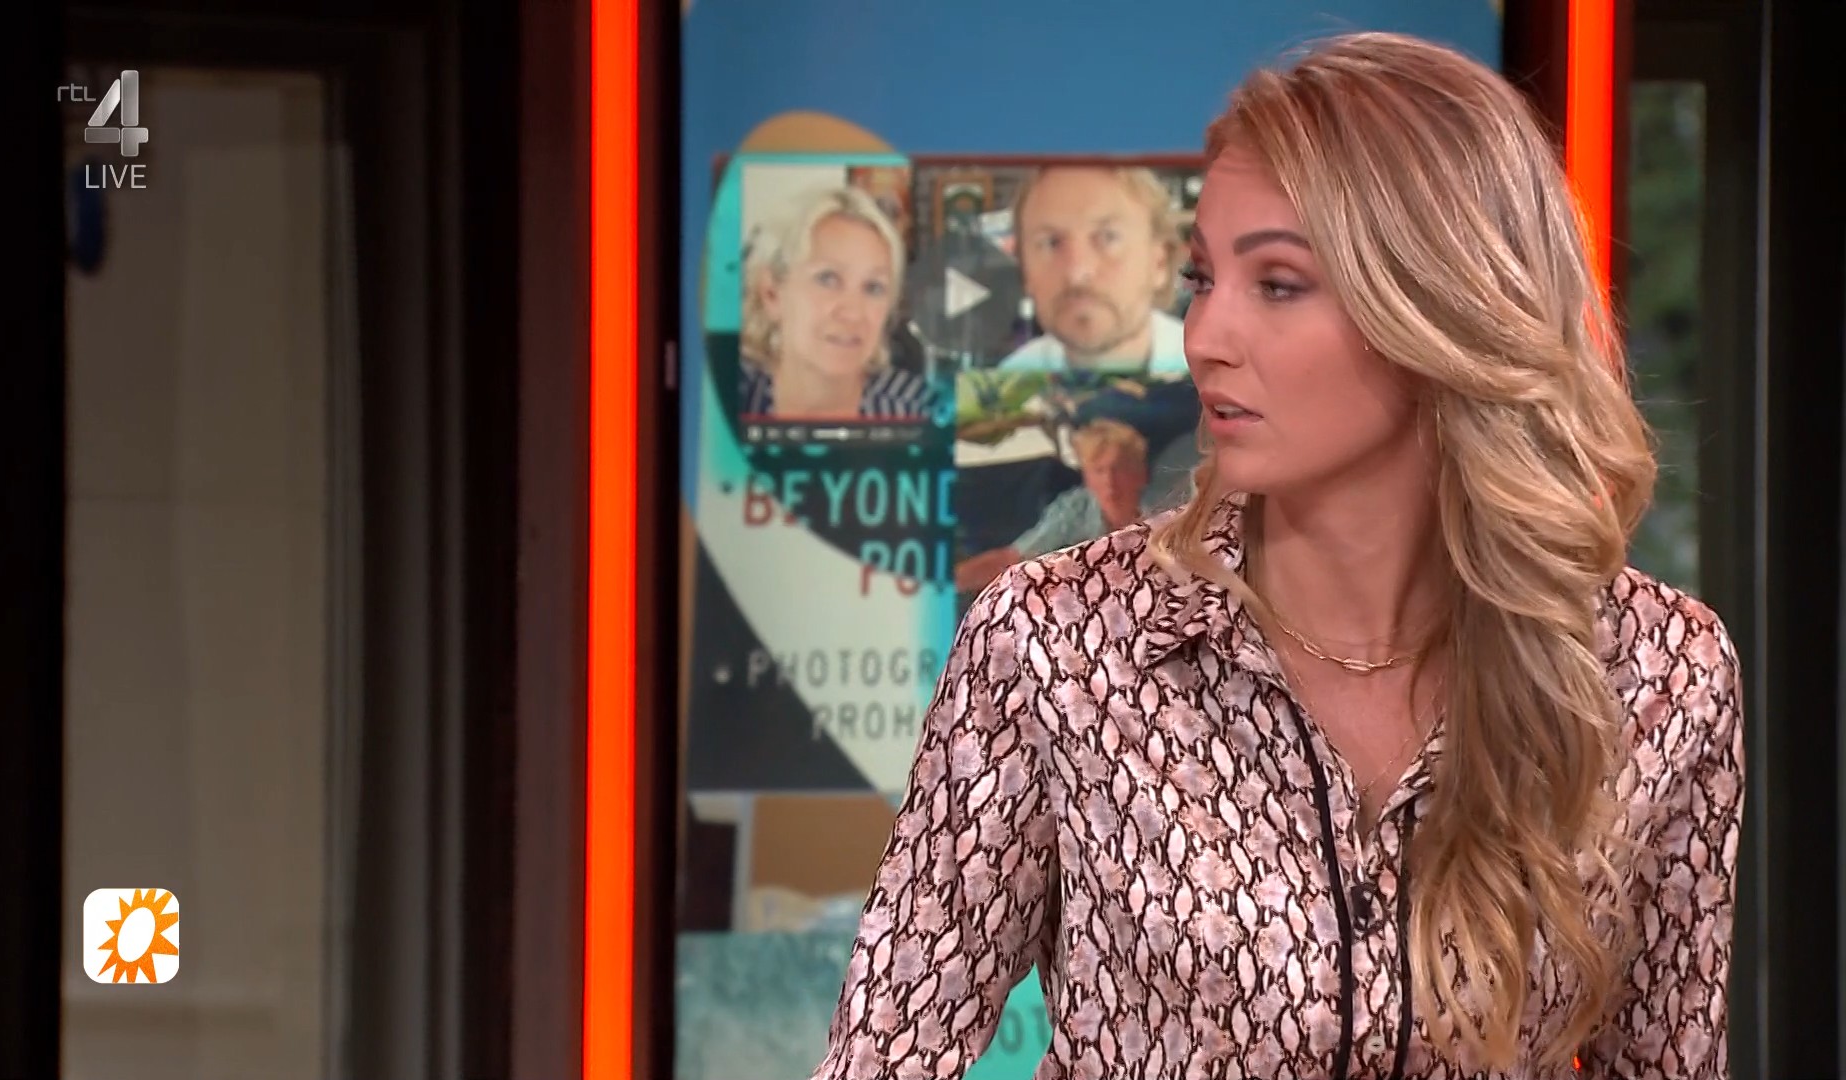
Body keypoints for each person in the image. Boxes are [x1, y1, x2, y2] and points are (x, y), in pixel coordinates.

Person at [812, 31, 1744, 1080]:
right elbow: (884, 1055)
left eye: (1279, 284)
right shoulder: (1056, 646)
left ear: (1436, 305)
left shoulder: (1660, 674)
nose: (1205, 336)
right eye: (1203, 278)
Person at [740, 185, 934, 420]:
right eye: (828, 279)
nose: (853, 313)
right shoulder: (722, 397)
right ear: (771, 294)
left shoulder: (922, 409)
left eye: (873, 287)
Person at [997, 165, 1189, 377]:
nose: (1077, 273)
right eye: (1051, 242)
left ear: (1159, 262)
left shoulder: (1213, 377)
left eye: (1108, 237)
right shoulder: (1006, 384)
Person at [953, 418, 1163, 596]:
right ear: (1087, 478)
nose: (1109, 481)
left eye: (1119, 469)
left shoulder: (1163, 508)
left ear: (1141, 474)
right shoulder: (1075, 510)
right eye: (1099, 471)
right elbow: (1015, 557)